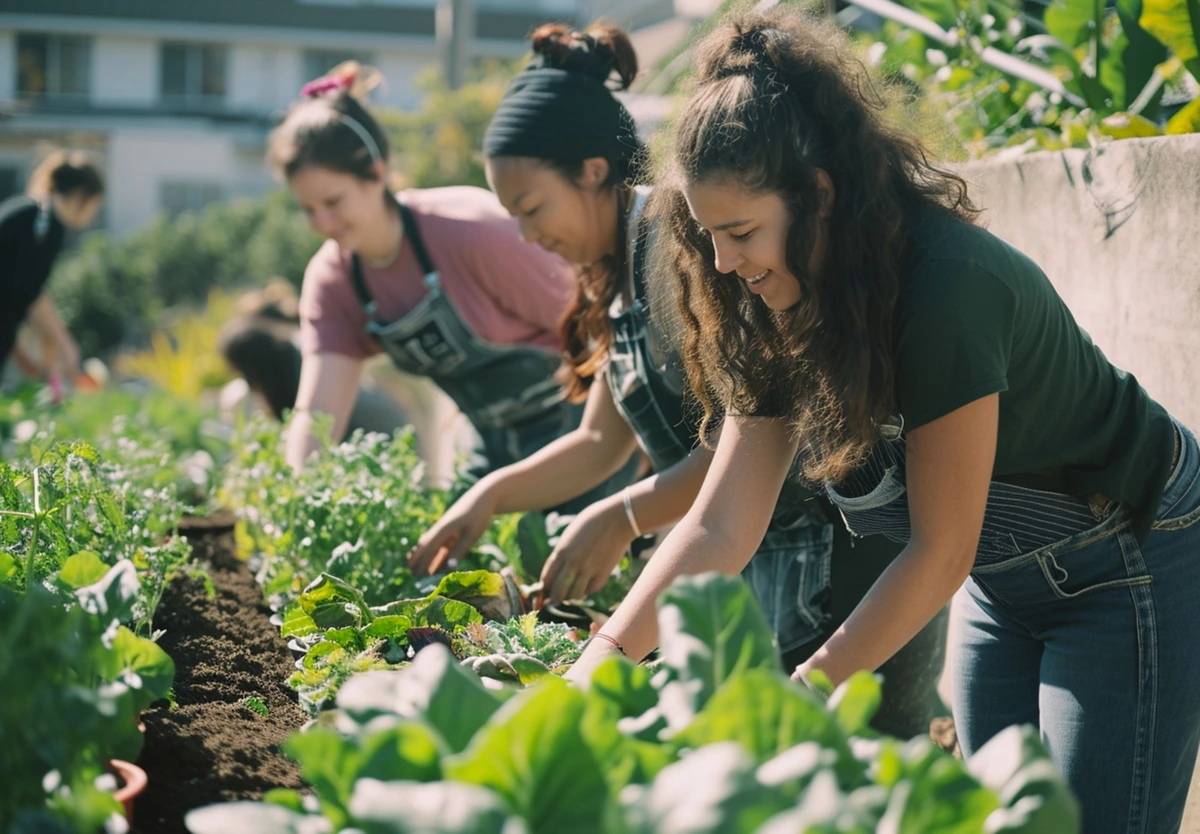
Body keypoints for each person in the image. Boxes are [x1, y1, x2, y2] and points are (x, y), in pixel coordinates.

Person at [565, 8, 1200, 833]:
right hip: (1001, 585)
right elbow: (721, 527)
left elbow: (940, 548)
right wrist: (601, 661)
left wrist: (803, 699)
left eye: (742, 232)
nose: (722, 263)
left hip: (1128, 563)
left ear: (820, 195)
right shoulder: (764, 300)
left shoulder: (948, 287)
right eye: (708, 236)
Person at [407, 22, 946, 737]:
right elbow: (602, 442)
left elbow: (737, 462)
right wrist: (491, 494)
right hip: (745, 569)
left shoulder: (677, 253)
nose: (528, 237)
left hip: (827, 572)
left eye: (532, 209)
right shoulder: (614, 277)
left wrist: (622, 516)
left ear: (593, 171)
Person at [268, 62, 635, 509]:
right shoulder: (334, 282)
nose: (323, 223)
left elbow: (603, 335)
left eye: (333, 202)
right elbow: (318, 413)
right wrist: (298, 500)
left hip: (580, 430)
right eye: (308, 210)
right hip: (490, 439)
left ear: (377, 173)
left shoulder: (469, 231)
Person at [0, 150, 104, 382]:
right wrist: (66, 346)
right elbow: (32, 293)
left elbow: (14, 291)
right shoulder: (47, 224)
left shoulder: (28, 212)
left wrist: (25, 354)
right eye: (95, 207)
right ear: (80, 196)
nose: (92, 217)